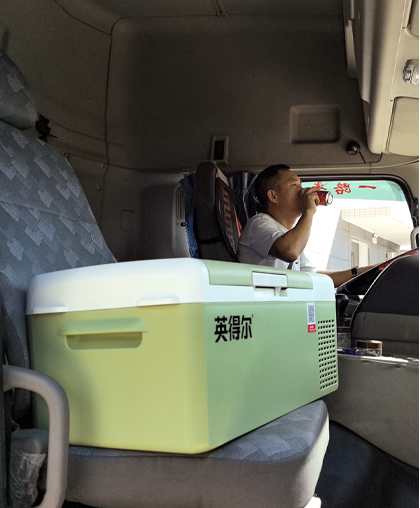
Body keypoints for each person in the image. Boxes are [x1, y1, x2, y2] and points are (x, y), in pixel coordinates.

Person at [237, 164, 378, 287]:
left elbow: (314, 277)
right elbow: (290, 251)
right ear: (274, 196)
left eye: (301, 184)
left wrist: (365, 271)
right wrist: (309, 211)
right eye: (294, 185)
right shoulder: (258, 224)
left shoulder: (288, 236)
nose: (302, 190)